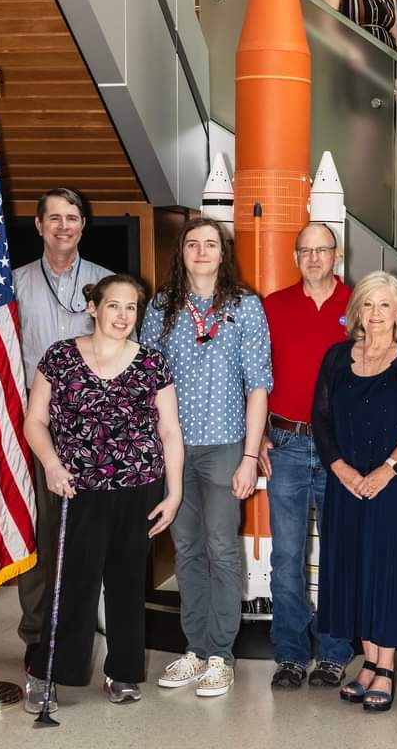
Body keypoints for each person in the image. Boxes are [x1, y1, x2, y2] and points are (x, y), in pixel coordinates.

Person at [22, 275, 183, 712]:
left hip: (139, 488)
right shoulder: (59, 357)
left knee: (127, 585)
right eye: (114, 306)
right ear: (93, 307)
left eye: (131, 308)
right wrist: (52, 464)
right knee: (73, 583)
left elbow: (169, 431)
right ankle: (47, 673)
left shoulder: (152, 363)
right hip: (79, 488)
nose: (123, 316)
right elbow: (34, 421)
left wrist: (174, 493)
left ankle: (123, 671)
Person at [141, 218, 272, 699]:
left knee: (221, 548)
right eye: (192, 244)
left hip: (224, 446)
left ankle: (222, 655)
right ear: (182, 252)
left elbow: (258, 385)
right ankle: (195, 649)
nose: (201, 251)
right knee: (188, 550)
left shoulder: (245, 306)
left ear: (223, 252)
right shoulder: (162, 307)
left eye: (210, 244)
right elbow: (148, 379)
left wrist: (251, 456)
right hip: (173, 448)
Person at [312, 271, 397, 713]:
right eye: (367, 304)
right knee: (353, 570)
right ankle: (368, 662)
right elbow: (322, 420)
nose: (375, 314)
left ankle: (385, 666)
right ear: (356, 312)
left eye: (385, 305)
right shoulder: (335, 358)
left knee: (387, 572)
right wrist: (342, 469)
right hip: (346, 483)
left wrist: (387, 470)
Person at [14, 187, 112, 671]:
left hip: (93, 434)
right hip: (35, 429)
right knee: (38, 534)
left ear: (83, 224)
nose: (63, 226)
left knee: (87, 537)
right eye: (53, 218)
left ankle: (79, 631)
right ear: (38, 225)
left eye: (72, 217)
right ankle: (37, 636)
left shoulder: (105, 284)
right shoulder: (13, 285)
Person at [258, 224, 354, 691]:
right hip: (287, 444)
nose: (314, 258)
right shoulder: (272, 305)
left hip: (342, 449)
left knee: (338, 553)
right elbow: (252, 376)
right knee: (287, 555)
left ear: (337, 254)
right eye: (306, 251)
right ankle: (291, 654)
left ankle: (335, 653)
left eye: (322, 250)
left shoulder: (358, 304)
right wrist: (255, 437)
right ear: (296, 256)